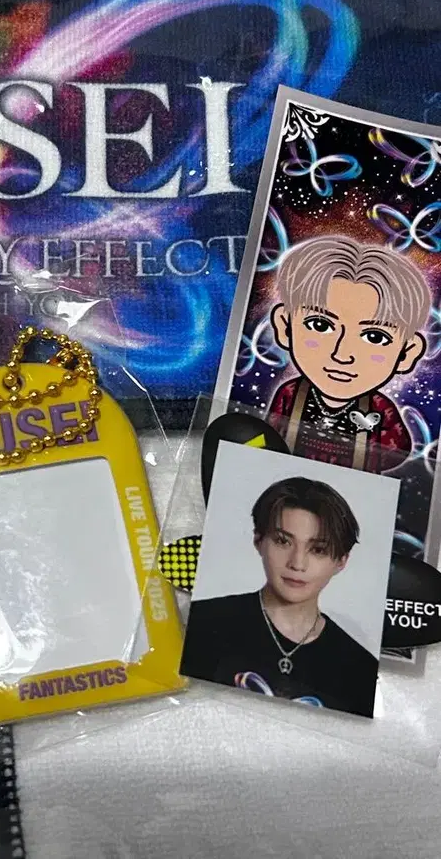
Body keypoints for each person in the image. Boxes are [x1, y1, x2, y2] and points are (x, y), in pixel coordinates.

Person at [180, 477, 379, 717]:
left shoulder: (361, 668)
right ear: (258, 541)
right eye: (283, 541)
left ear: (341, 561)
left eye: (318, 549)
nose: (297, 563)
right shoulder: (201, 622)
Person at [266, 235, 431, 472]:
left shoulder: (381, 410)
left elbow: (396, 453)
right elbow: (268, 436)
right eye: (320, 325)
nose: (342, 354)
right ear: (285, 327)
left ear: (407, 353)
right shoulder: (290, 395)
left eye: (374, 337)